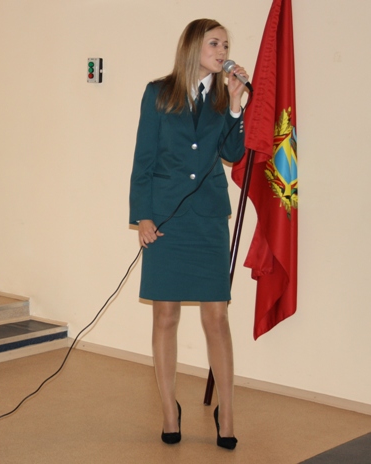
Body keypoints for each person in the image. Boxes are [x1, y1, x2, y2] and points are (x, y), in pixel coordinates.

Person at [129, 18, 249, 450]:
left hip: (208, 219)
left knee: (217, 317)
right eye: (215, 44)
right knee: (165, 316)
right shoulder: (159, 93)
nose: (222, 52)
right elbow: (143, 159)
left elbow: (233, 154)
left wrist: (235, 105)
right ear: (194, 46)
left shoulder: (222, 97)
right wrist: (142, 216)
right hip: (166, 220)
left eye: (226, 45)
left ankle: (226, 414)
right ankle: (169, 410)